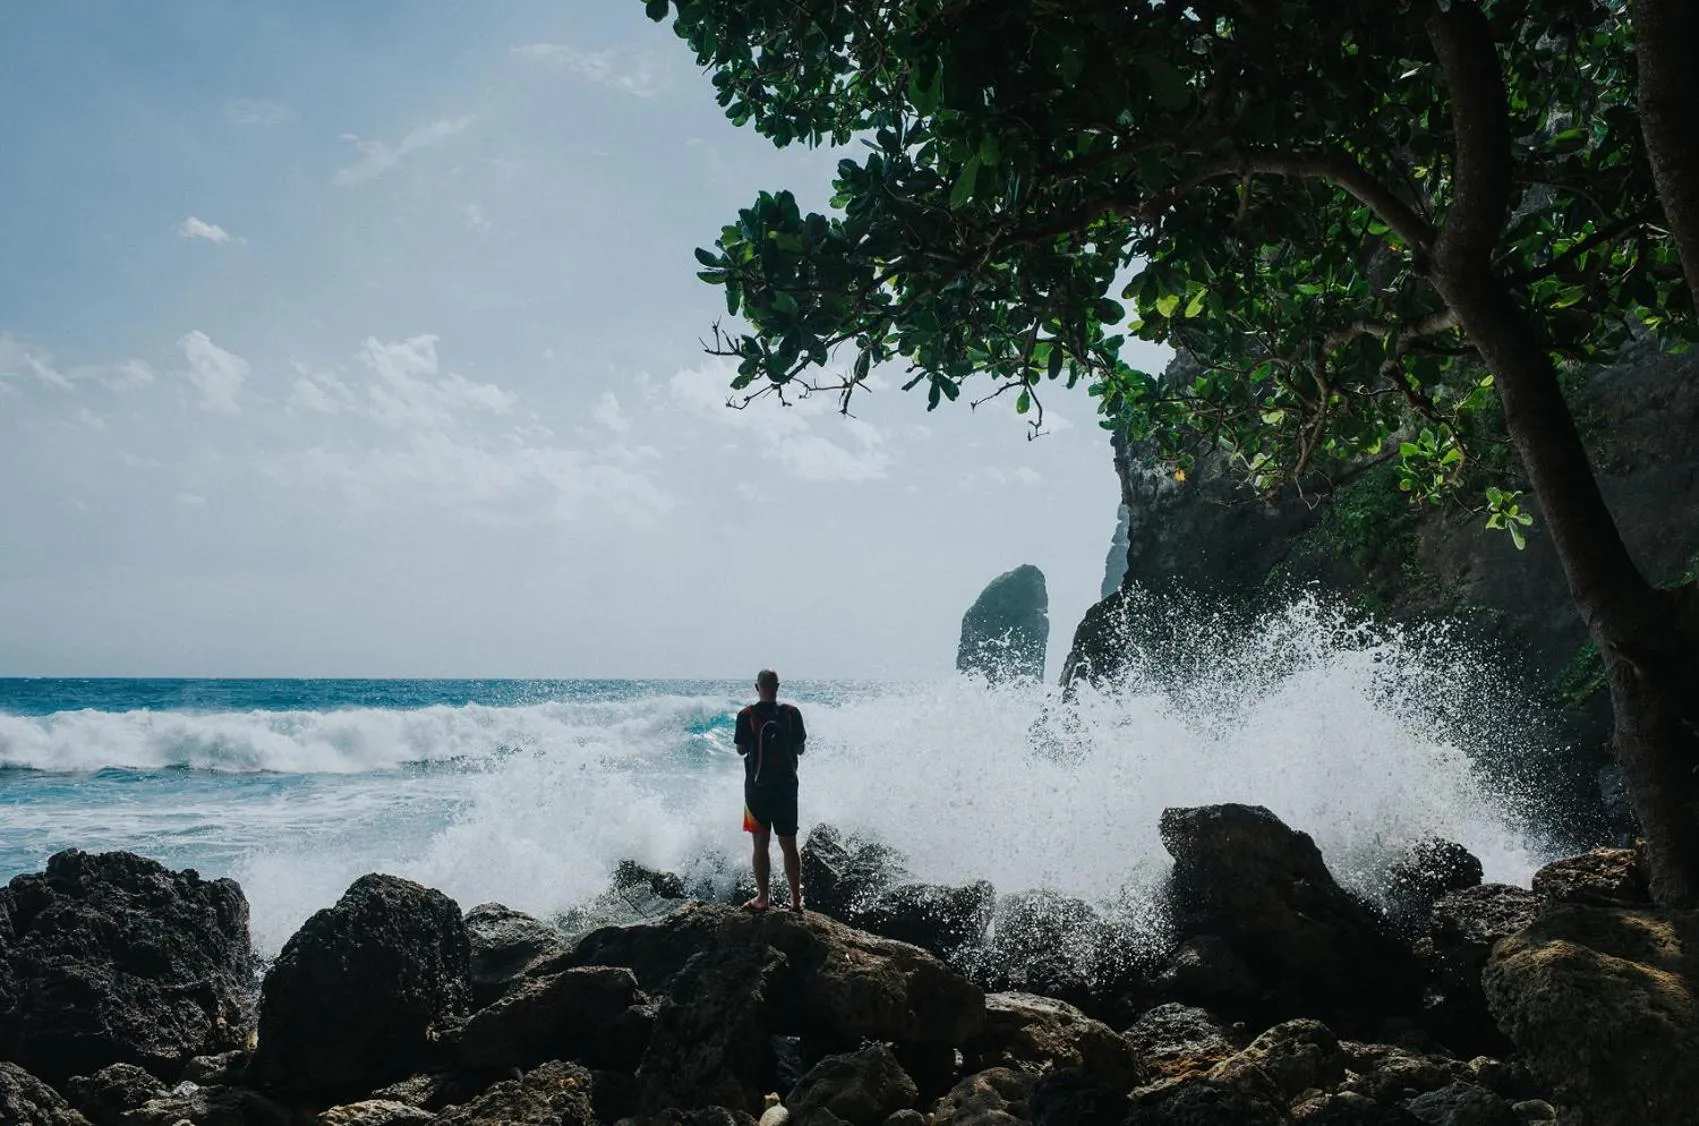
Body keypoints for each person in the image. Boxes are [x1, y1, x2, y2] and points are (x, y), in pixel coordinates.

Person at [735, 668, 806, 912]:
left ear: (757, 687)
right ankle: (796, 900)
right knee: (789, 845)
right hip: (787, 788)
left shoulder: (746, 715)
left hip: (757, 790)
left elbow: (741, 750)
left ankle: (763, 898)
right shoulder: (791, 713)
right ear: (777, 686)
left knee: (760, 845)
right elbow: (799, 750)